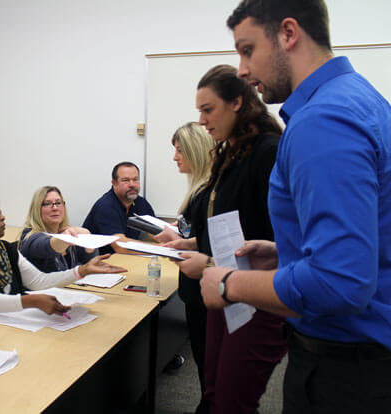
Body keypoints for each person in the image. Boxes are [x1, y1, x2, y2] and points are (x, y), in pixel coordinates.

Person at [198, 1, 391, 412]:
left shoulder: (323, 121)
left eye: (248, 50)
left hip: (346, 369)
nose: (243, 71)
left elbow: (340, 282)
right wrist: (285, 252)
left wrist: (227, 284)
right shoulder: (359, 99)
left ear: (288, 34)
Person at [166, 65, 287, 413]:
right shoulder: (230, 156)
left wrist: (209, 262)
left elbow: (276, 242)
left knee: (233, 400)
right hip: (224, 293)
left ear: (237, 103)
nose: (202, 121)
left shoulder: (268, 152)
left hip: (256, 300)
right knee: (214, 393)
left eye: (208, 110)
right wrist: (195, 246)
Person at [0, 190, 126, 323]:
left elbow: (38, 281)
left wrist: (82, 270)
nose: (3, 217)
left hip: (12, 322)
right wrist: (30, 301)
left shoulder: (5, 249)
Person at [153, 121, 214, 413]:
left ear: (194, 151)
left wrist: (182, 242)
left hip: (205, 293)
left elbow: (209, 245)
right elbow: (199, 239)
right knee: (206, 364)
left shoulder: (206, 193)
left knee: (210, 367)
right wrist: (180, 240)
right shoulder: (199, 191)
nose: (175, 157)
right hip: (194, 292)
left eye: (179, 151)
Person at [19, 186, 98, 272]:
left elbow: (91, 264)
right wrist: (65, 239)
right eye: (47, 204)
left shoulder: (65, 233)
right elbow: (48, 246)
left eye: (58, 203)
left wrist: (87, 236)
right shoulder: (30, 238)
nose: (55, 208)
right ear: (37, 209)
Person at [83, 161, 156, 254]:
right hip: (99, 261)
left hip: (123, 258)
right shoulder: (106, 206)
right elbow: (121, 247)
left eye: (135, 179)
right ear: (114, 183)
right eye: (125, 180)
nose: (132, 184)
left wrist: (174, 243)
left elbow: (157, 232)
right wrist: (160, 248)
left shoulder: (139, 202)